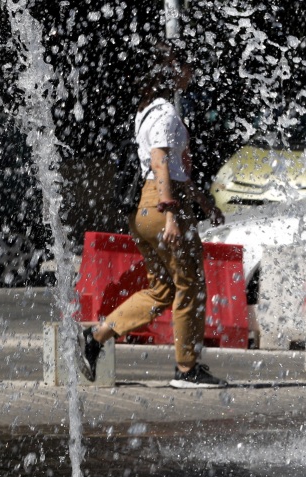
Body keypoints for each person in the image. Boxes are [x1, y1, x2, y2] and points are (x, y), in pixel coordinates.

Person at [78, 40, 228, 389]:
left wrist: (204, 204)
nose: (191, 73)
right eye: (186, 66)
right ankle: (187, 369)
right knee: (189, 285)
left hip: (142, 212)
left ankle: (97, 335)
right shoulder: (164, 113)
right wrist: (172, 214)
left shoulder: (145, 112)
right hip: (162, 207)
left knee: (162, 289)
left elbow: (171, 168)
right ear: (173, 73)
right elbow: (160, 163)